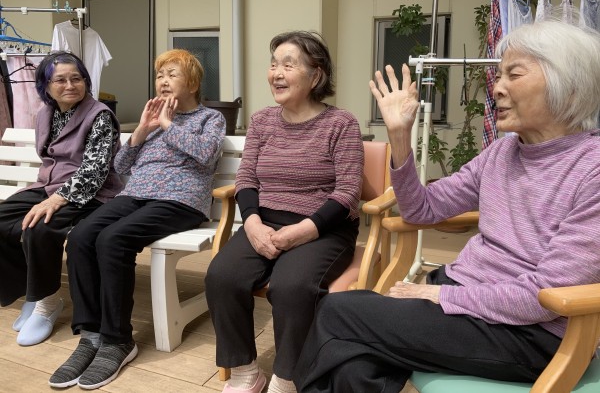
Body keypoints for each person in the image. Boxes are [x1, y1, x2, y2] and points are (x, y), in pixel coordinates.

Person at [292, 19, 600, 392]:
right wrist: (400, 137)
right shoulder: (502, 152)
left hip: (531, 333)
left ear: (570, 89)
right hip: (467, 299)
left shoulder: (592, 170)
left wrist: (439, 295)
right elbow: (422, 210)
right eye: (499, 75)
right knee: (356, 362)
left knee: (339, 312)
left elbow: (545, 298)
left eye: (514, 75)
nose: (497, 88)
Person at [49, 49, 226, 390]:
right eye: (160, 75)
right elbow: (120, 167)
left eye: (172, 74)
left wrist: (167, 124)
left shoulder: (210, 118)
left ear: (192, 83)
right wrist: (143, 130)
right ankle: (91, 334)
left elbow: (205, 155)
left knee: (113, 240)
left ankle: (117, 340)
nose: (163, 81)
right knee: (82, 235)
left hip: (180, 201)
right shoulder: (153, 119)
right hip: (134, 196)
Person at [205, 31, 364, 393]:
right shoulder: (262, 121)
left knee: (292, 287)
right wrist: (252, 223)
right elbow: (246, 179)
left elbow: (348, 193)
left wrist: (305, 230)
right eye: (273, 64)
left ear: (316, 75)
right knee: (221, 276)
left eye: (288, 65)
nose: (276, 73)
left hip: (324, 227)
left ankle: (288, 377)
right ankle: (245, 372)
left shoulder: (341, 124)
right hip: (264, 220)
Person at [0, 51, 122, 347]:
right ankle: (31, 291)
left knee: (39, 227)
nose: (70, 85)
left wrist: (56, 200)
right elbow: (49, 160)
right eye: (61, 80)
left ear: (86, 82)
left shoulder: (100, 116)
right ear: (46, 86)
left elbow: (94, 172)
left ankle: (48, 301)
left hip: (93, 192)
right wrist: (47, 195)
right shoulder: (45, 113)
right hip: (48, 185)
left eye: (76, 79)